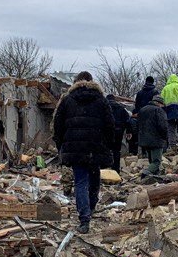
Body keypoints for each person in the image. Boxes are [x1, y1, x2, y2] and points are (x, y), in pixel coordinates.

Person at [52, 71, 115, 233]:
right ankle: (91, 207)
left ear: (75, 82)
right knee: (94, 179)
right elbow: (110, 125)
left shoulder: (67, 100)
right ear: (92, 81)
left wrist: (61, 146)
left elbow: (58, 126)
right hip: (95, 147)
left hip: (75, 148)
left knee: (80, 182)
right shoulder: (101, 100)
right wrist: (108, 145)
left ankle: (84, 219)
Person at [135, 95, 169, 178]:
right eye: (162, 104)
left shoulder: (142, 110)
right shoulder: (158, 110)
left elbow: (137, 124)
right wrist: (165, 137)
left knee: (151, 161)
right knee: (156, 161)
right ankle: (146, 173)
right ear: (159, 103)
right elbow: (163, 126)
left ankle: (154, 177)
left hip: (144, 139)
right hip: (156, 139)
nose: (162, 106)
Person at [107, 95, 132, 173]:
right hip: (119, 131)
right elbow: (128, 120)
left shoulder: (104, 107)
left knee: (107, 149)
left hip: (107, 131)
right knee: (117, 150)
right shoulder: (121, 108)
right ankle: (116, 168)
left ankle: (107, 167)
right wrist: (128, 131)